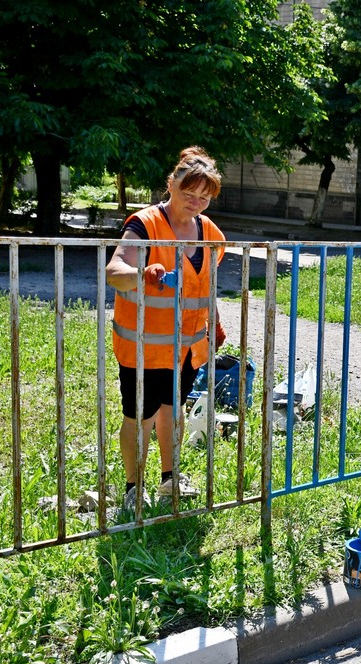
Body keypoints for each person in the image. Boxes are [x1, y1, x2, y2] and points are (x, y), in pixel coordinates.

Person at [105, 146, 228, 508]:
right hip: (144, 346)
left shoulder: (211, 233)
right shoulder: (144, 225)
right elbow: (115, 271)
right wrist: (140, 275)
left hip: (187, 348)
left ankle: (169, 479)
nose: (195, 203)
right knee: (139, 416)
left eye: (204, 198)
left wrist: (216, 323)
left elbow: (205, 283)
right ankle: (133, 488)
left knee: (172, 412)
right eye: (189, 194)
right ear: (171, 184)